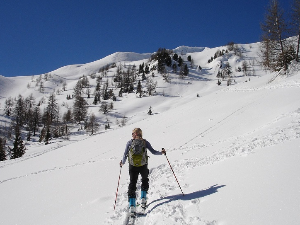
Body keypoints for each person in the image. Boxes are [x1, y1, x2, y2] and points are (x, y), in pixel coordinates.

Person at [120, 128, 166, 215]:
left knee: (132, 183)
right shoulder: (145, 142)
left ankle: (132, 206)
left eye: (132, 133)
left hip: (132, 166)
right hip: (143, 165)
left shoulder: (129, 143)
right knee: (144, 180)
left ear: (136, 133)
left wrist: (122, 163)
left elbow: (125, 154)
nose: (132, 135)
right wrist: (161, 153)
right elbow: (153, 152)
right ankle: (143, 199)